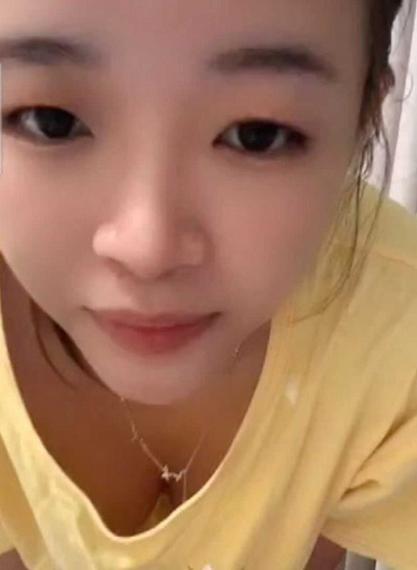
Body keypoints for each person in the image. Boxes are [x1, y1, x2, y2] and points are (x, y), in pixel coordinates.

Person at [0, 0, 415, 568]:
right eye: (52, 122)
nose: (148, 250)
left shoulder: (394, 338)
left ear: (363, 118)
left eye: (258, 135)